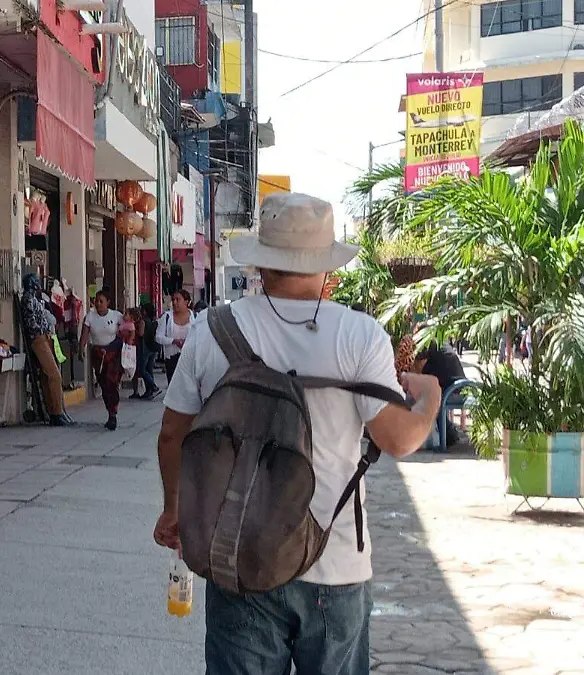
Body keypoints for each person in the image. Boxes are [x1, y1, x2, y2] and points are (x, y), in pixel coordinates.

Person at [153, 192, 441, 673]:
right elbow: (400, 439)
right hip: (336, 562)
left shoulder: (213, 329)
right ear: (327, 268)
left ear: (262, 265)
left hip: (238, 556)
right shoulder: (359, 335)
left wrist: (175, 509)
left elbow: (171, 433)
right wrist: (430, 395)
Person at [19, 273, 67, 425]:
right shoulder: (28, 299)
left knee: (48, 376)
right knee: (54, 375)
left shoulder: (36, 299)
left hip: (45, 336)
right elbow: (31, 323)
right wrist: (42, 331)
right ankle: (57, 412)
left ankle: (53, 411)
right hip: (38, 338)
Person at [79, 288, 124, 431]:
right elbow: (85, 335)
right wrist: (81, 349)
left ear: (108, 303)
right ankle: (109, 410)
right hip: (98, 354)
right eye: (96, 301)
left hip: (113, 354)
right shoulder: (90, 317)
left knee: (112, 383)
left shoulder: (117, 316)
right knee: (104, 384)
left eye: (101, 301)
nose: (98, 304)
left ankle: (113, 413)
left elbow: (125, 333)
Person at [414, 343, 470, 449]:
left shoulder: (431, 359)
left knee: (433, 402)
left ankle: (448, 437)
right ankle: (449, 434)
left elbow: (423, 379)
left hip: (453, 391)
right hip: (462, 388)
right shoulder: (441, 346)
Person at [156, 289, 194, 382]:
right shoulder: (167, 317)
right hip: (171, 359)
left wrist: (187, 342)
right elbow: (158, 337)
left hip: (190, 358)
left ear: (186, 302)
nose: (174, 302)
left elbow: (200, 338)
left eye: (178, 299)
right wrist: (173, 341)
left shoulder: (195, 317)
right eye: (173, 300)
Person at [134, 303, 161, 399]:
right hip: (153, 347)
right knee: (149, 370)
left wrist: (134, 330)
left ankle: (153, 386)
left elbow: (141, 334)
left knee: (142, 370)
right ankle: (149, 391)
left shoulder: (143, 321)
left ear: (145, 311)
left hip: (145, 348)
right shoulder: (153, 321)